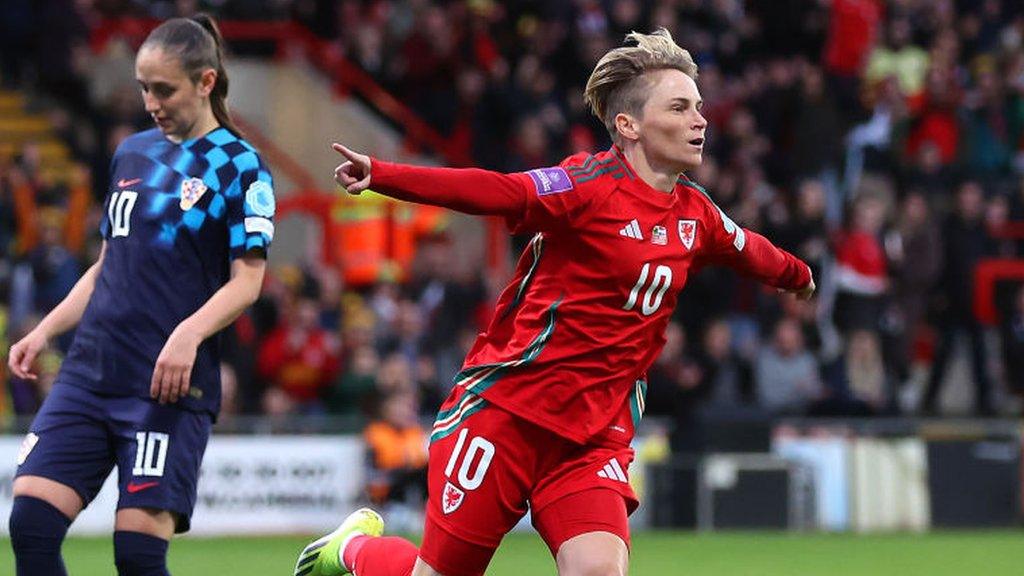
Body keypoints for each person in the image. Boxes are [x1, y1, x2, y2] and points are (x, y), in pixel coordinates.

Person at [295, 29, 813, 576]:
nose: (700, 120)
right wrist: (385, 175)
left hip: (593, 438)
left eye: (699, 107)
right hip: (508, 415)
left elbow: (747, 247)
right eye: (680, 107)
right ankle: (351, 550)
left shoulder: (695, 213)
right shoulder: (585, 187)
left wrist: (798, 275)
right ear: (628, 125)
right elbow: (499, 190)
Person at [6, 15, 275, 576]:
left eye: (164, 89)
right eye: (143, 87)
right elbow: (108, 265)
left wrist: (188, 333)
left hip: (166, 383)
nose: (150, 101)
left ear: (205, 82)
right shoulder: (131, 153)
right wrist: (44, 330)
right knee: (30, 523)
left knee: (136, 556)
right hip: (91, 371)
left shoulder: (240, 165)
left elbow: (248, 280)